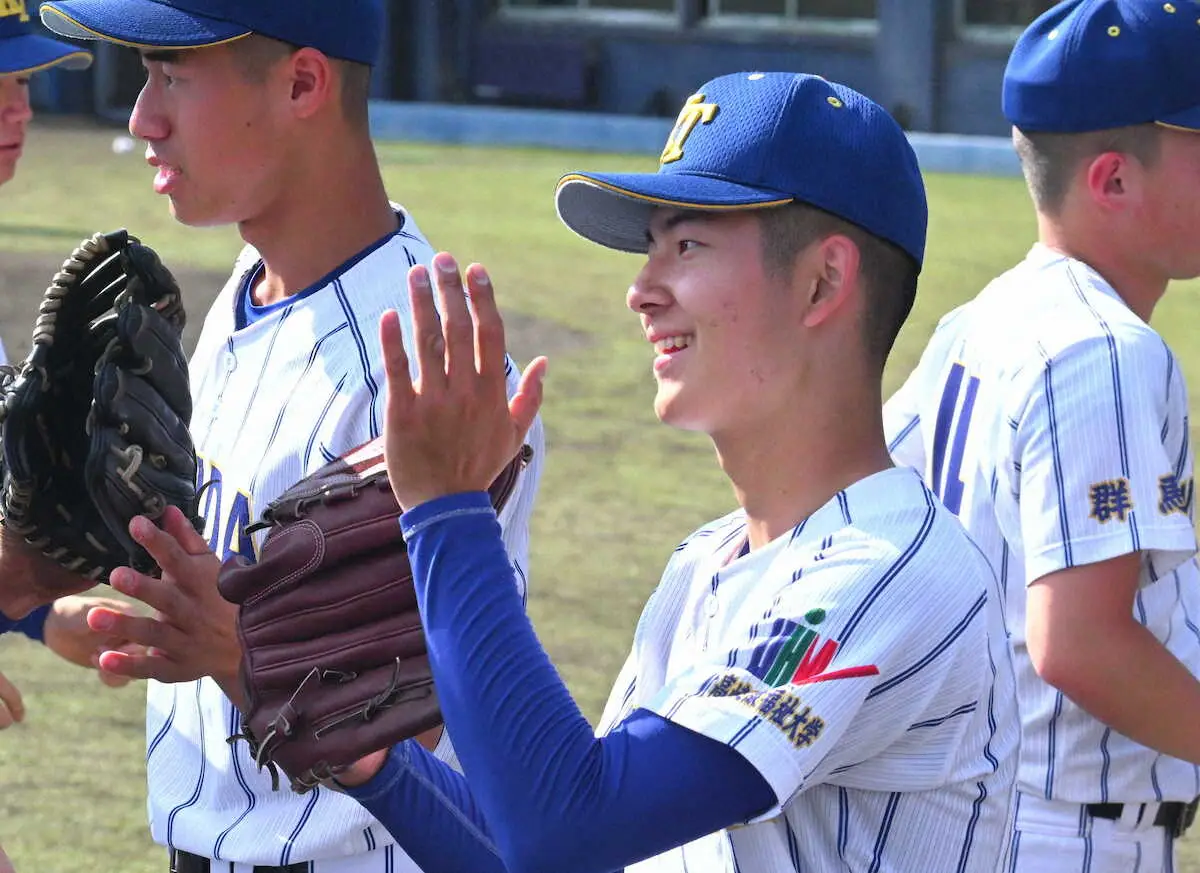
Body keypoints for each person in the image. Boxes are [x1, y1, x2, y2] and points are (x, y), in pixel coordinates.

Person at [326, 71, 1020, 873]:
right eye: (651, 248)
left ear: (823, 282)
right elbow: (562, 855)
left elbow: (564, 825)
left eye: (686, 245)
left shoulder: (893, 571)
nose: (639, 291)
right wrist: (378, 765)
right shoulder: (705, 564)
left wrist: (450, 515)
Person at [32, 1, 544, 872]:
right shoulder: (251, 284)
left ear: (303, 81)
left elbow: (446, 717)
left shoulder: (431, 362)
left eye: (172, 75)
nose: (140, 118)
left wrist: (245, 654)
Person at [883, 1, 1200, 870]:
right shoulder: (1105, 350)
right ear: (1113, 181)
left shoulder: (979, 322)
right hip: (1066, 834)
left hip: (978, 813)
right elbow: (1082, 643)